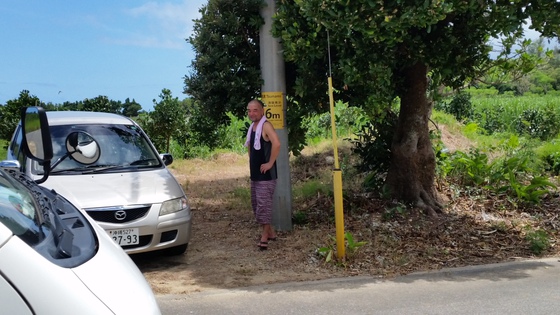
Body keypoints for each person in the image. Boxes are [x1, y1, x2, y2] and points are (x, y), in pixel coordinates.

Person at [244, 99, 281, 250]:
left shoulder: (266, 125)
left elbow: (277, 143)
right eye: (249, 111)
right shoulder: (252, 127)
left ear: (262, 111)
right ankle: (271, 232)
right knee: (256, 204)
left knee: (263, 205)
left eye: (255, 110)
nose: (252, 113)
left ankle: (264, 236)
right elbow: (250, 148)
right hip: (256, 174)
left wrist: (270, 163)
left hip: (266, 175)